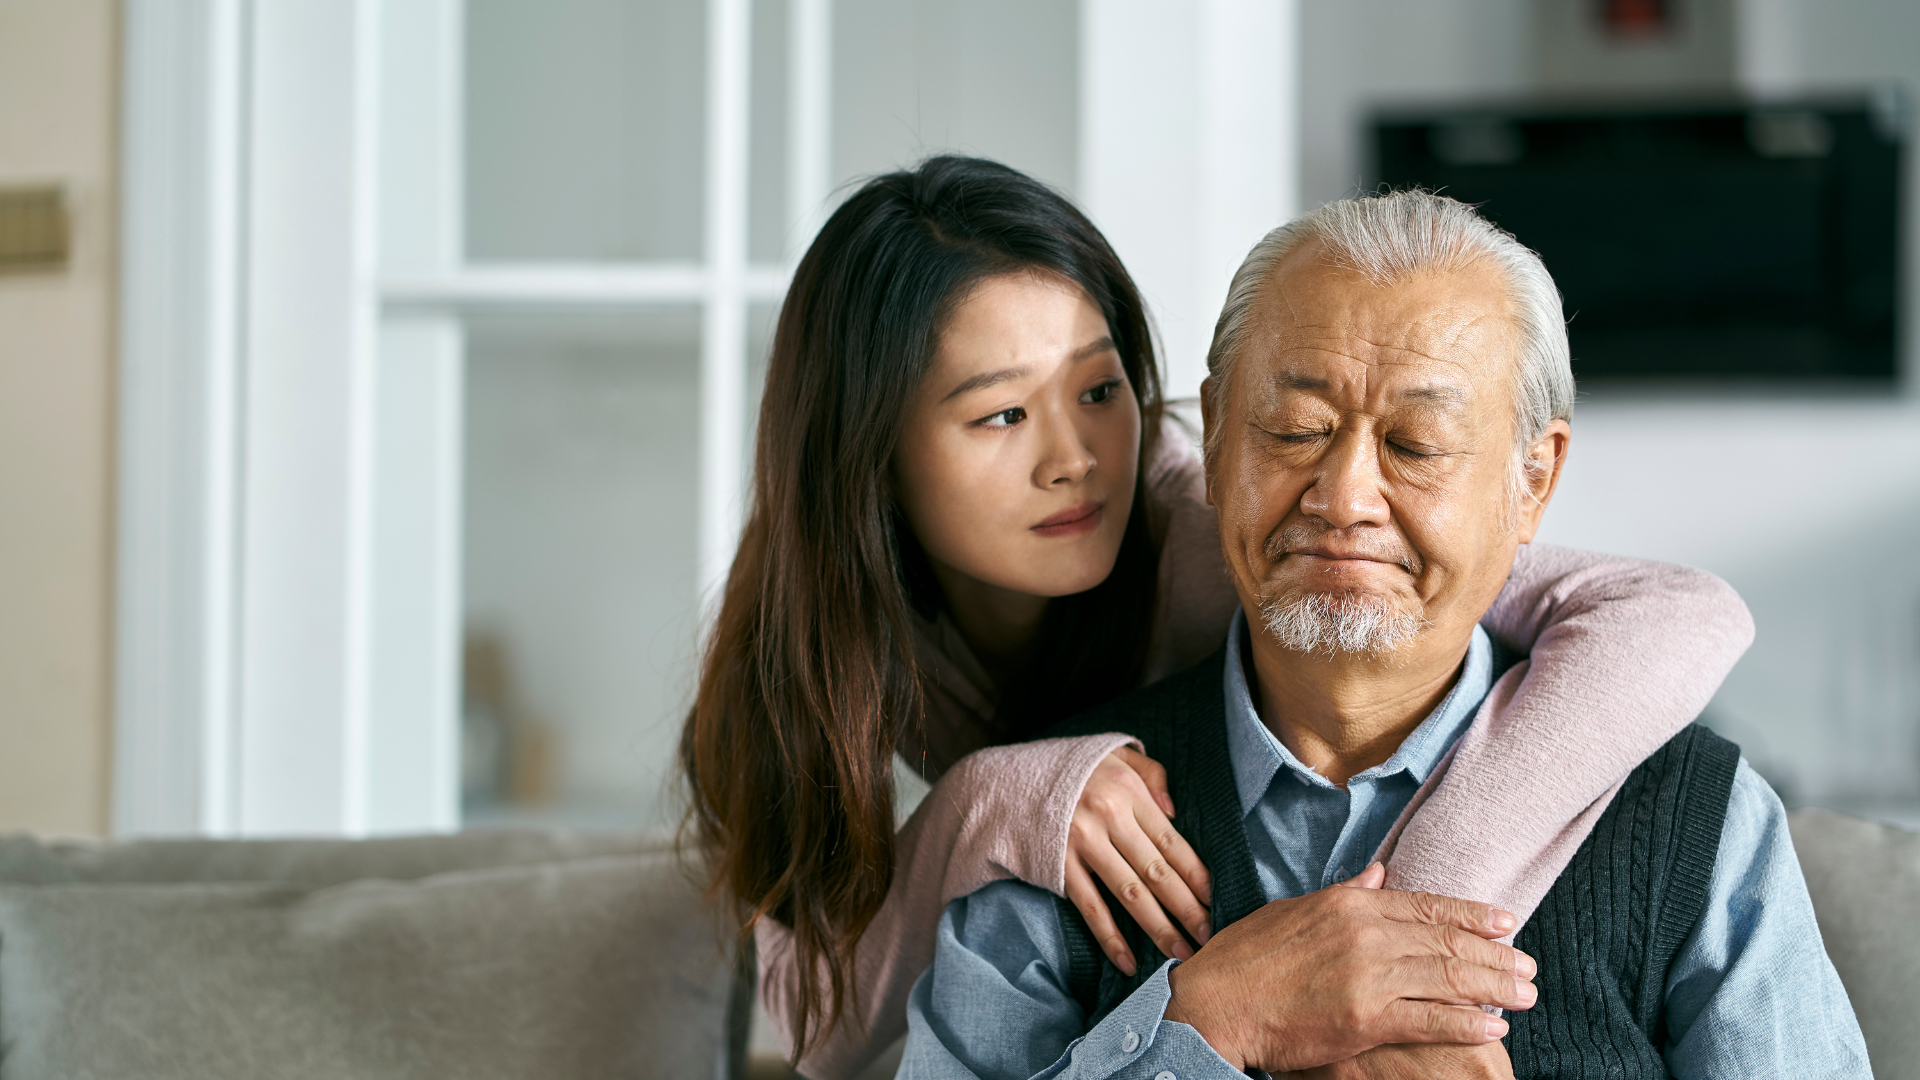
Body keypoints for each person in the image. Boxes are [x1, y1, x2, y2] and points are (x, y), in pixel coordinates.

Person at [678, 157, 1754, 1079]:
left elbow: (1664, 610)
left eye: (1101, 391)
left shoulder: (1208, 520)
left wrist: (1406, 935)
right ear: (869, 453)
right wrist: (989, 803)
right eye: (1002, 413)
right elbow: (816, 1030)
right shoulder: (811, 643)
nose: (1075, 457)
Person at [899, 190, 1869, 1079]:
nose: (1345, 497)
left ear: (1534, 481)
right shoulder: (1065, 836)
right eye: (1294, 428)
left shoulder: (1703, 821)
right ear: (1221, 436)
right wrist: (1203, 1028)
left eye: (1416, 446)